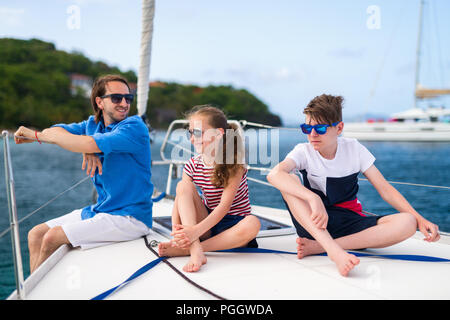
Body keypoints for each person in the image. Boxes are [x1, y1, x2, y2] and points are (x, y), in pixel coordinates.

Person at [267, 94, 440, 277]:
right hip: (316, 223)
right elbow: (274, 174)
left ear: (339, 128)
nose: (312, 134)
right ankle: (333, 251)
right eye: (307, 127)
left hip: (349, 222)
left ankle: (319, 247)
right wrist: (313, 197)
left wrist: (420, 220)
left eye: (320, 128)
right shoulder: (303, 151)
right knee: (289, 179)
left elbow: (385, 189)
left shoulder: (354, 149)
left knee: (408, 222)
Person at [14, 74, 154, 273]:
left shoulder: (134, 127)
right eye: (116, 98)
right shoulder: (92, 126)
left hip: (131, 217)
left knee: (52, 237)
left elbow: (85, 141)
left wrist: (36, 136)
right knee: (35, 234)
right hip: (102, 209)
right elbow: (55, 130)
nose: (124, 103)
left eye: (128, 98)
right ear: (100, 102)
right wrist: (85, 148)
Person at [158, 105, 260, 272]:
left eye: (198, 133)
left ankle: (193, 248)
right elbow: (181, 199)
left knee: (253, 223)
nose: (192, 138)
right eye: (190, 133)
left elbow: (224, 207)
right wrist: (179, 236)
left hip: (233, 226)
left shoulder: (234, 164)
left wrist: (194, 232)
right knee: (182, 185)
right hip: (207, 223)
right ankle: (189, 246)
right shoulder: (192, 165)